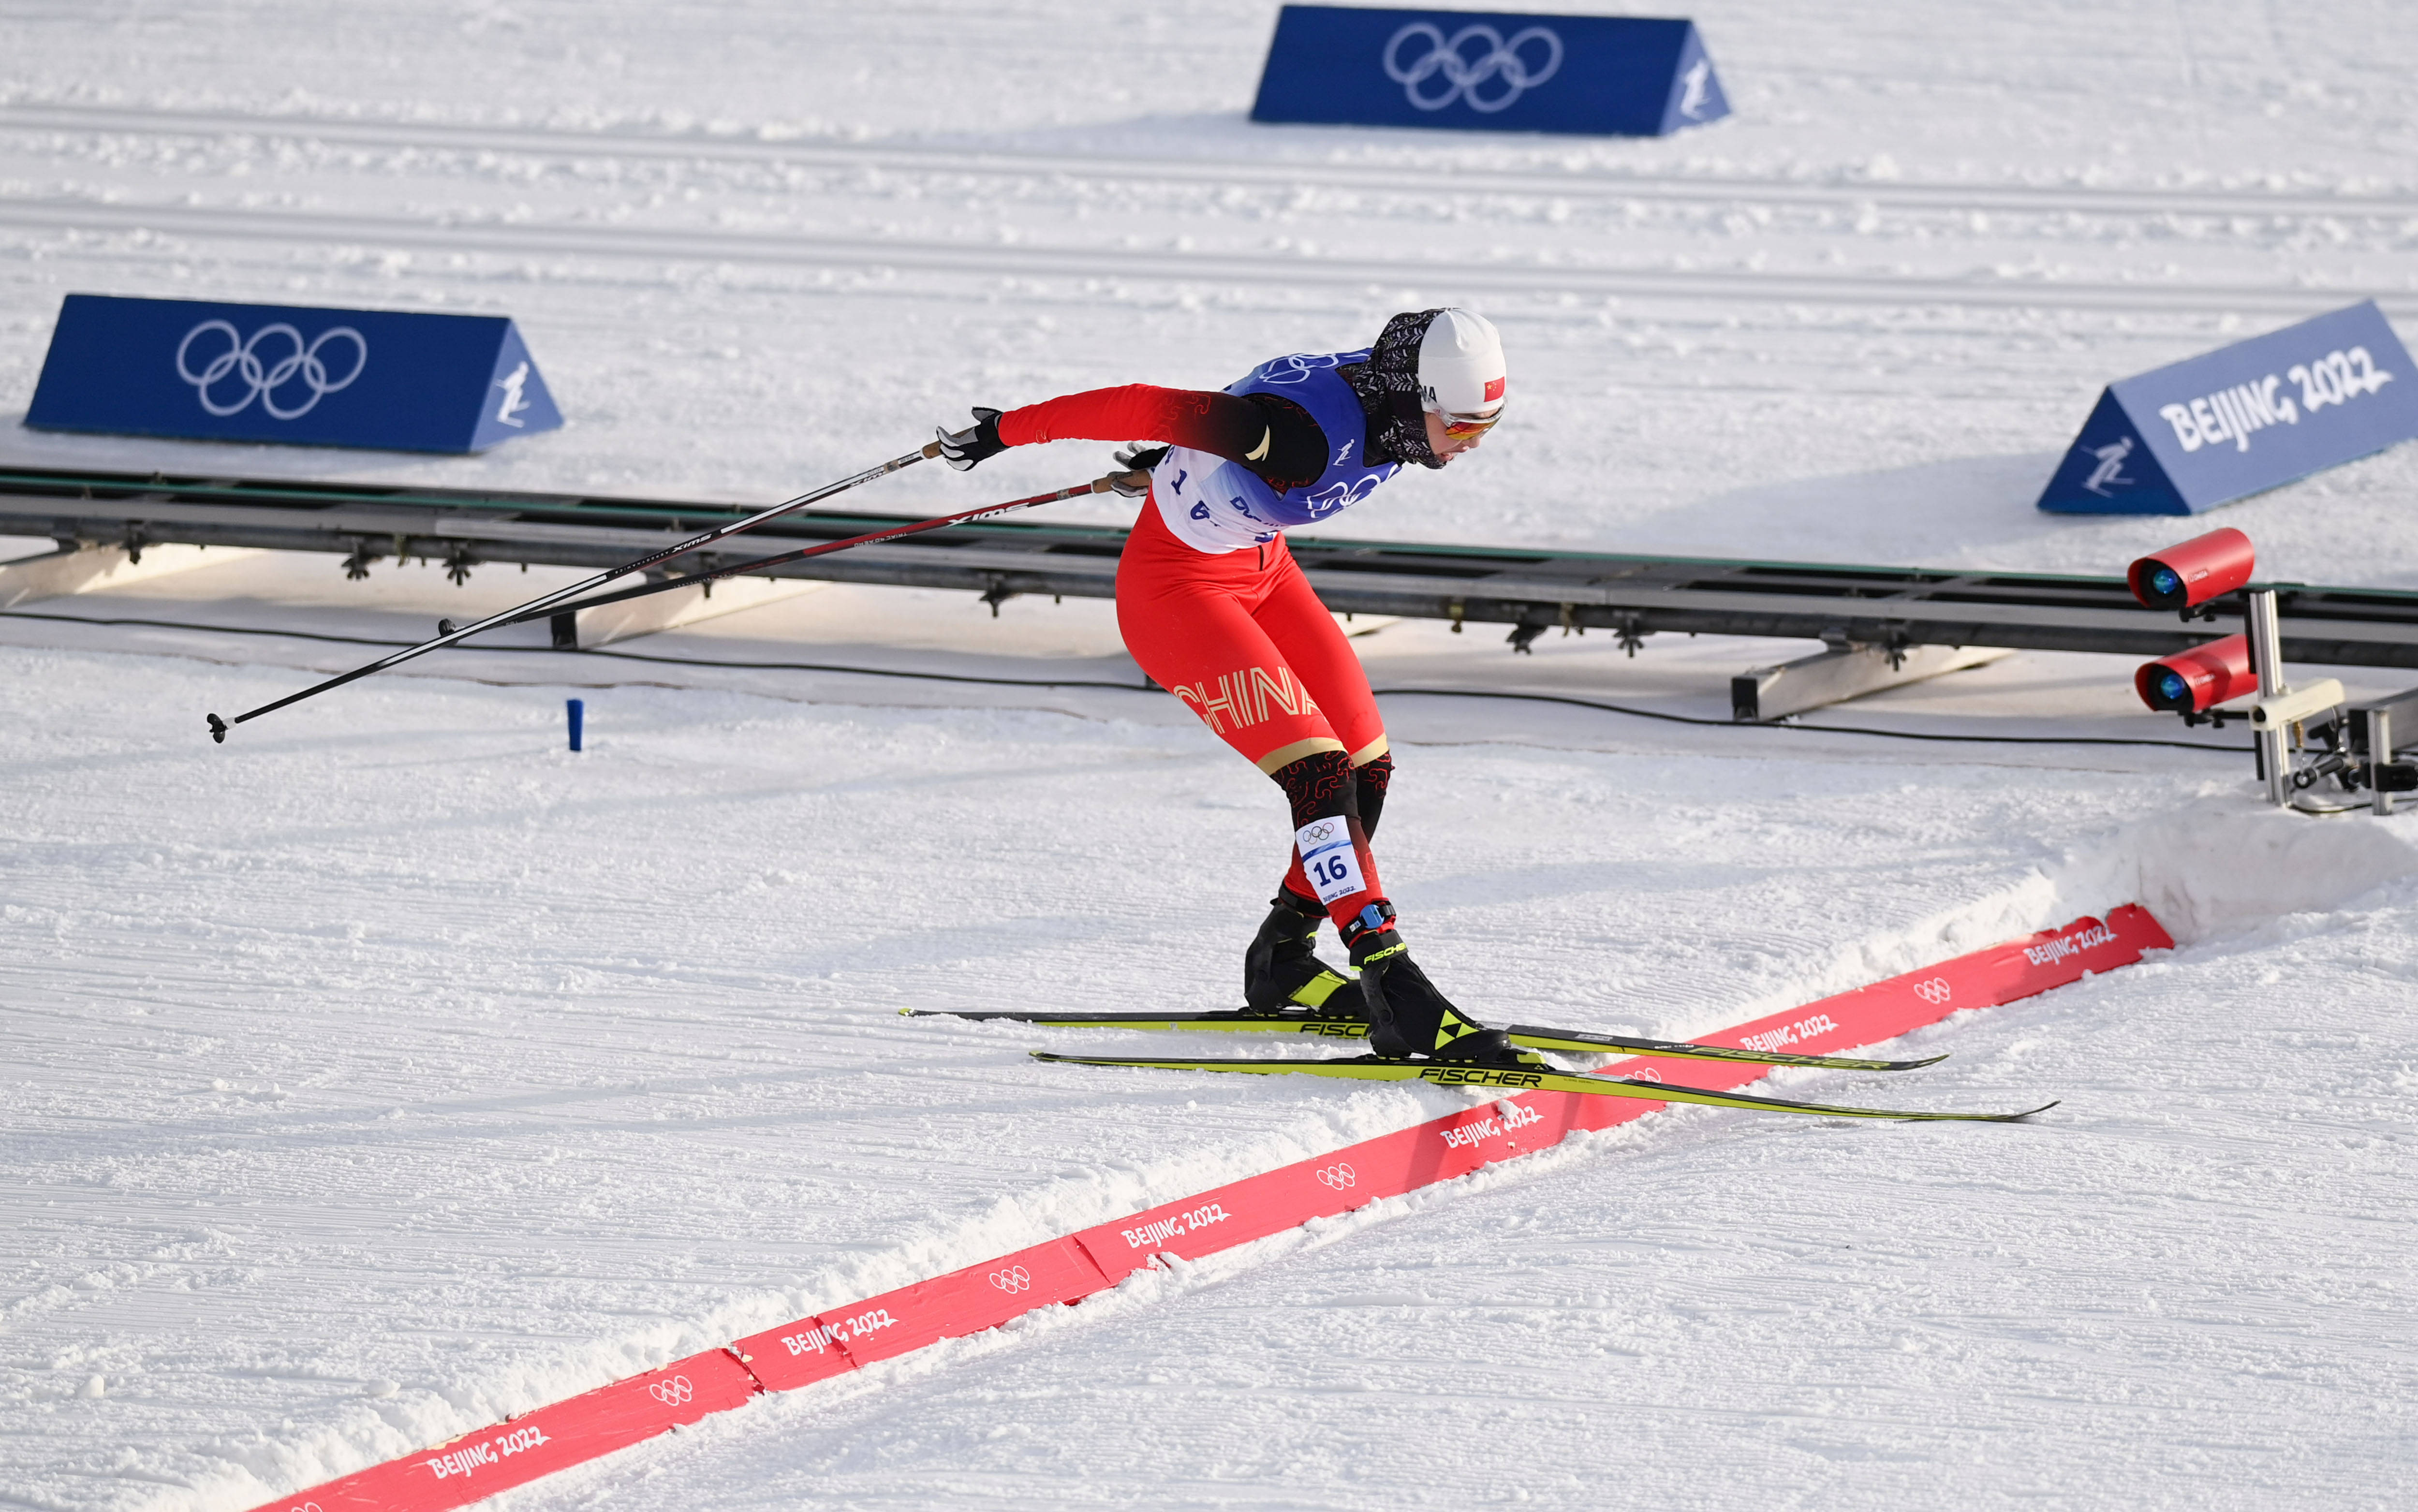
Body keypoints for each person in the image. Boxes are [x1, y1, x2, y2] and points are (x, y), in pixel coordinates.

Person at [935, 308, 1515, 1064]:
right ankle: (1392, 981)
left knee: (1366, 768)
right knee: (1320, 775)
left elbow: (1234, 410)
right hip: (1177, 593)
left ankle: (1284, 956)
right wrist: (1006, 432)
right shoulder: (1298, 437)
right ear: (1415, 400)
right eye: (1463, 427)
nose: (1471, 445)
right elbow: (1148, 404)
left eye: (1487, 428)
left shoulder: (1392, 390)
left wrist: (1184, 463)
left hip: (1262, 569)